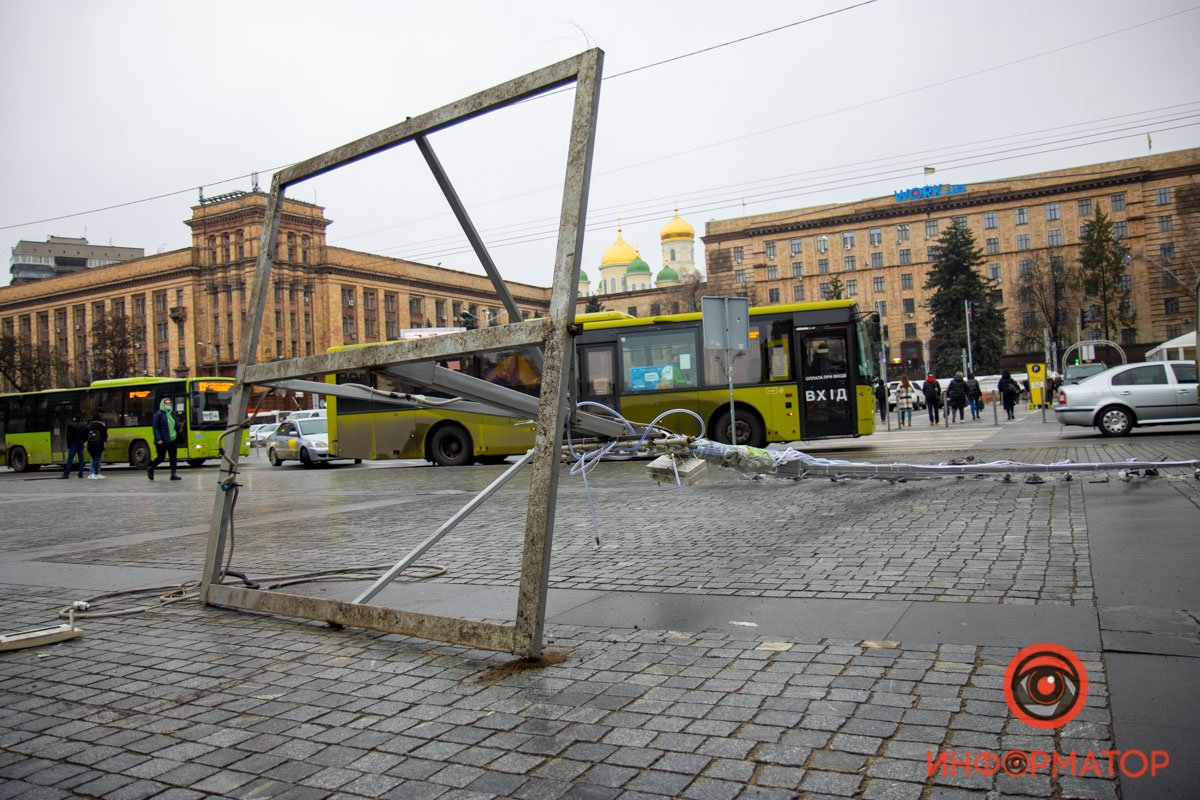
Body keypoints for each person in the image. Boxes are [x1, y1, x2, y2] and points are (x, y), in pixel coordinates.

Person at [147, 398, 182, 481]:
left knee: (173, 457)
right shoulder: (158, 415)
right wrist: (158, 438)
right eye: (166, 403)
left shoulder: (172, 414)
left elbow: (175, 426)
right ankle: (151, 468)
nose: (168, 405)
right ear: (162, 404)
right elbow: (155, 427)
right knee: (161, 457)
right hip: (162, 440)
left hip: (173, 439)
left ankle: (173, 474)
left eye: (169, 403)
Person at [61, 414, 89, 479]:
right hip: (81, 443)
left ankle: (66, 474)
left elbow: (68, 436)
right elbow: (86, 435)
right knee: (81, 459)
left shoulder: (70, 425)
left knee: (70, 459)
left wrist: (68, 444)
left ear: (74, 418)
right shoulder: (84, 425)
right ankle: (80, 474)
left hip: (73, 443)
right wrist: (83, 440)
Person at [86, 413, 108, 479]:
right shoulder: (101, 425)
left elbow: (85, 434)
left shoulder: (89, 425)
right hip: (99, 444)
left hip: (90, 444)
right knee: (97, 459)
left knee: (93, 459)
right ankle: (96, 473)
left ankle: (92, 473)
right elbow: (105, 435)